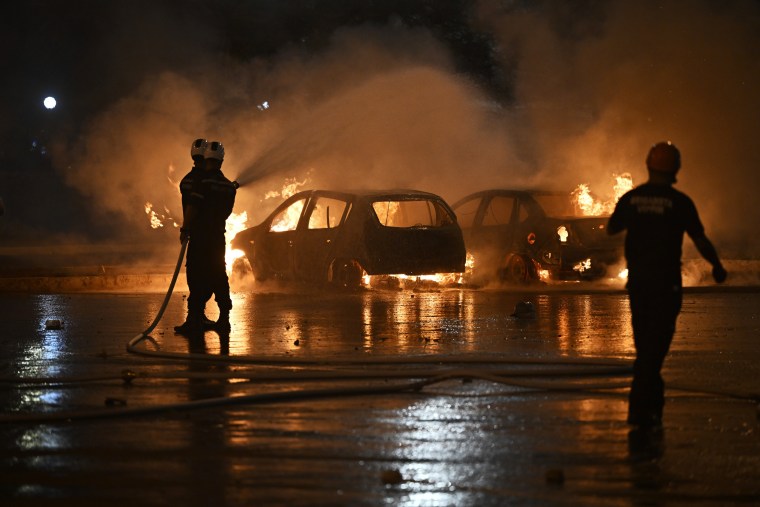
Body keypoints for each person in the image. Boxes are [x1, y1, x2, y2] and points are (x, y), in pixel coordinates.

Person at [607, 141, 727, 429]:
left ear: (649, 165)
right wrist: (717, 266)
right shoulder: (680, 202)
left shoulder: (632, 198)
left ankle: (646, 408)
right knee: (655, 349)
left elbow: (612, 227)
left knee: (645, 347)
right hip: (666, 287)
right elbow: (700, 239)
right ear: (676, 169)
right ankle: (644, 409)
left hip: (639, 286)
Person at [174, 140, 237, 336]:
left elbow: (192, 206)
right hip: (217, 237)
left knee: (195, 274)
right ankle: (224, 319)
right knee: (218, 274)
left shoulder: (197, 182)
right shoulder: (228, 186)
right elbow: (226, 212)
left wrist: (186, 228)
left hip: (200, 237)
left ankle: (195, 318)